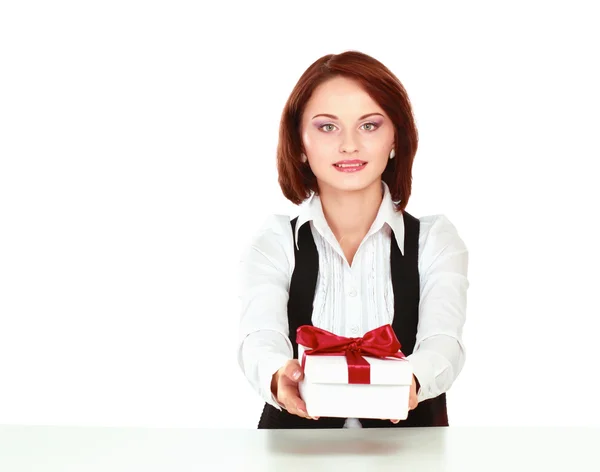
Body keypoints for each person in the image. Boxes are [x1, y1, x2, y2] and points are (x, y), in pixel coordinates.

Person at [237, 50, 469, 429]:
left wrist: (410, 381)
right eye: (327, 126)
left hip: (410, 458)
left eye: (369, 125)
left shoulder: (435, 240)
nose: (349, 145)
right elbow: (259, 337)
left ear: (396, 137)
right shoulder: (275, 240)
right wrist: (280, 376)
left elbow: (444, 342)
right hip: (294, 458)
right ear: (298, 142)